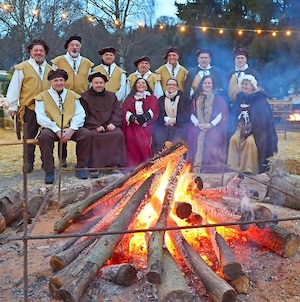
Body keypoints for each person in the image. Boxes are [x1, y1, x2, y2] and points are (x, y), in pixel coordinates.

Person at [34, 69, 92, 184]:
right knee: (44, 137)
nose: (59, 83)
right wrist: (56, 129)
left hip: (70, 128)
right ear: (50, 82)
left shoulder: (72, 95)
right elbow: (41, 117)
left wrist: (72, 129)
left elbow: (80, 114)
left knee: (86, 134)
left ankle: (80, 167)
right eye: (55, 80)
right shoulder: (42, 97)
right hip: (51, 129)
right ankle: (49, 170)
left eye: (61, 80)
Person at [6, 39, 52, 173]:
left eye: (41, 50)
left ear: (45, 53)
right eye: (36, 50)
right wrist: (13, 106)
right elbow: (15, 87)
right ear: (30, 52)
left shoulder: (50, 69)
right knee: (29, 137)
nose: (38, 53)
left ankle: (47, 163)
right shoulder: (22, 68)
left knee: (47, 137)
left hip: (47, 109)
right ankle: (28, 163)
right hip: (29, 108)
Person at [51, 35, 94, 167]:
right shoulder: (58, 61)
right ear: (68, 47)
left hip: (82, 98)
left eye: (77, 46)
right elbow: (52, 80)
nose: (74, 48)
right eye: (72, 45)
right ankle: (62, 158)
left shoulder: (87, 63)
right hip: (63, 98)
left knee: (81, 130)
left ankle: (81, 159)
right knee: (62, 126)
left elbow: (90, 82)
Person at [227, 74, 278, 174]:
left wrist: (252, 129)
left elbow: (263, 120)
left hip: (257, 131)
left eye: (246, 84)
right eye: (243, 84)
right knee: (233, 140)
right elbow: (234, 113)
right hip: (241, 127)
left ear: (252, 85)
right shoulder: (240, 97)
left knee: (249, 143)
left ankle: (249, 169)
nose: (244, 86)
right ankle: (233, 168)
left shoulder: (260, 99)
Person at [80, 72, 127, 177]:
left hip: (110, 125)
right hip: (93, 126)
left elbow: (117, 111)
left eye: (101, 83)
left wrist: (114, 123)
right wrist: (95, 125)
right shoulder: (84, 97)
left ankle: (114, 165)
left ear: (104, 84)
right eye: (96, 83)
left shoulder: (111, 96)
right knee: (92, 136)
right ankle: (95, 167)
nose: (99, 85)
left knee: (118, 134)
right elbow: (84, 114)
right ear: (91, 83)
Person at [187, 75, 228, 173]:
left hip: (213, 127)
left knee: (213, 138)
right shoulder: (195, 98)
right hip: (197, 126)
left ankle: (210, 170)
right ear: (202, 84)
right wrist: (198, 124)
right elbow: (191, 113)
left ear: (212, 85)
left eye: (209, 83)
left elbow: (221, 114)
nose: (207, 85)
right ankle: (194, 168)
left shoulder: (218, 98)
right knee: (193, 135)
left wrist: (211, 125)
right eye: (205, 83)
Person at [122, 78, 159, 167]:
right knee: (131, 138)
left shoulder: (152, 98)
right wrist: (134, 119)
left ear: (147, 86)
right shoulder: (129, 99)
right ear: (135, 86)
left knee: (145, 140)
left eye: (143, 83)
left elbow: (153, 110)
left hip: (147, 124)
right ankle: (133, 165)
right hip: (133, 124)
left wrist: (143, 120)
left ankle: (146, 162)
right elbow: (125, 110)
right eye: (138, 83)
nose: (141, 84)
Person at [153, 78, 190, 153]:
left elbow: (187, 113)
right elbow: (158, 114)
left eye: (173, 85)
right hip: (164, 127)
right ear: (166, 86)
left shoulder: (184, 99)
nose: (171, 86)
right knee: (160, 141)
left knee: (178, 144)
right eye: (169, 84)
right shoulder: (161, 99)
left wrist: (175, 120)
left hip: (180, 127)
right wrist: (166, 119)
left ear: (177, 87)